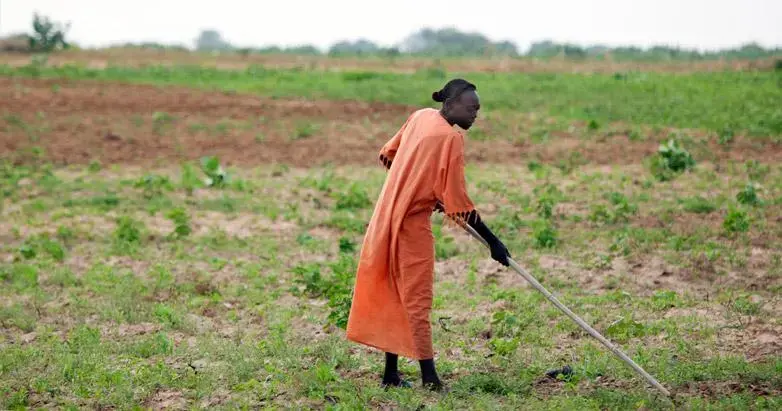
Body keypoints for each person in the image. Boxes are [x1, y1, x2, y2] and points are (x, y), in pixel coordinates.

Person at [345, 78, 511, 392]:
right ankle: (431, 379)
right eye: (471, 108)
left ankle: (391, 375)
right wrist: (494, 243)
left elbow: (389, 157)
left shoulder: (421, 116)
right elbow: (460, 205)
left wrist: (419, 191)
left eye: (478, 110)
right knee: (417, 301)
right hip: (409, 226)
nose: (475, 114)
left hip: (385, 215)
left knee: (394, 290)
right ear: (450, 104)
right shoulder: (451, 139)